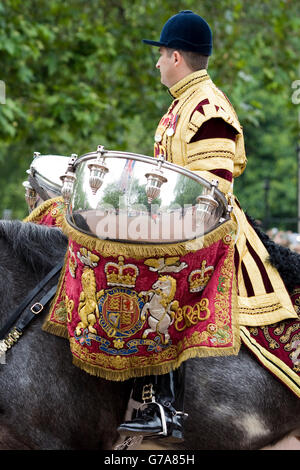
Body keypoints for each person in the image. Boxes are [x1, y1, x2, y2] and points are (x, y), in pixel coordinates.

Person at [117, 10, 298, 442]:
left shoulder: (208, 110)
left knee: (155, 289)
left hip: (208, 235)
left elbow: (209, 198)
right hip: (181, 227)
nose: (157, 62)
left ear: (176, 56)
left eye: (161, 55)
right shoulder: (182, 103)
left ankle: (161, 405)